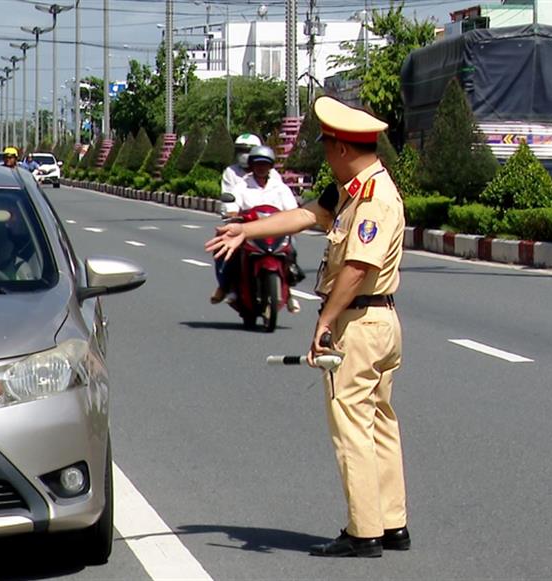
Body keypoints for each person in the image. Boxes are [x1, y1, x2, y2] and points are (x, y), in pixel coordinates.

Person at [205, 96, 409, 558]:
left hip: (361, 320)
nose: (326, 159)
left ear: (340, 149)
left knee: (352, 425)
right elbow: (306, 214)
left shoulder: (374, 199)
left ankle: (364, 532)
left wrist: (325, 320)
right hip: (378, 320)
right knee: (378, 422)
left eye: (327, 149)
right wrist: (244, 231)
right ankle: (392, 523)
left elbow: (356, 267)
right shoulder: (355, 189)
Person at [211, 145, 303, 313]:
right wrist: (232, 212)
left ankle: (289, 291)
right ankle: (226, 287)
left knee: (292, 248)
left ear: (271, 166)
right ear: (252, 165)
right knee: (225, 249)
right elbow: (231, 204)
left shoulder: (280, 187)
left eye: (265, 164)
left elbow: (291, 207)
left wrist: (293, 216)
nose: (261, 167)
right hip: (248, 230)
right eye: (258, 164)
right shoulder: (241, 186)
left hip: (276, 231)